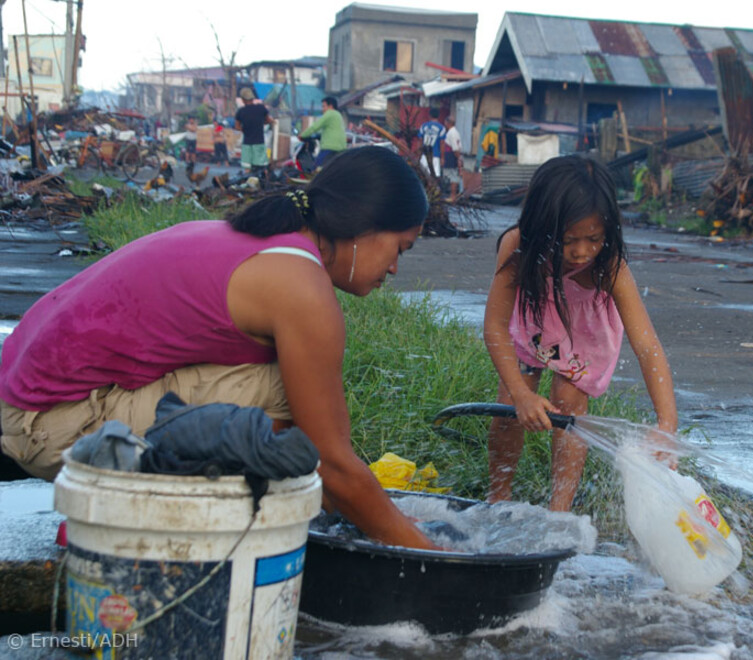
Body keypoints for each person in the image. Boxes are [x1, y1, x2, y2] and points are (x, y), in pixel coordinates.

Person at [0, 147, 437, 551]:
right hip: (50, 425)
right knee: (285, 399)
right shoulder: (300, 287)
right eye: (401, 247)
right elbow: (333, 462)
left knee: (291, 397)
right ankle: (126, 522)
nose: (396, 267)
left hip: (25, 395)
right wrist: (431, 551)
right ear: (363, 222)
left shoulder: (268, 243)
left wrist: (374, 509)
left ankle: (144, 506)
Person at [483, 155, 678, 512]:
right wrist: (520, 395)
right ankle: (498, 496)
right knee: (509, 408)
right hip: (537, 325)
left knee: (569, 401)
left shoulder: (609, 267)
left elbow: (647, 345)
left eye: (594, 238)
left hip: (585, 336)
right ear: (541, 225)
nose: (582, 252)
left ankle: (559, 512)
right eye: (569, 239)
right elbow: (495, 325)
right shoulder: (518, 246)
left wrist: (666, 422)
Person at [299, 96, 347, 168]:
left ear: (330, 106)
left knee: (316, 169)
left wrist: (302, 135)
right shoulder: (338, 115)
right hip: (341, 149)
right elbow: (331, 130)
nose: (322, 110)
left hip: (330, 148)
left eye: (324, 106)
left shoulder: (330, 113)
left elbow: (315, 127)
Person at [235, 87, 274, 173]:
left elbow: (237, 127)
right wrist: (261, 124)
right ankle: (262, 183)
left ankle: (249, 183)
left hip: (247, 144)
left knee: (247, 169)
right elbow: (269, 120)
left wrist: (245, 130)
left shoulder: (241, 111)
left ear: (243, 99)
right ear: (252, 98)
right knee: (262, 167)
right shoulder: (261, 108)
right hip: (259, 143)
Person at [418, 108, 446, 178]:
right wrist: (442, 157)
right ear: (438, 116)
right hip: (435, 156)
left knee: (422, 176)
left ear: (429, 115)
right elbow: (442, 143)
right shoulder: (441, 128)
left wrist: (419, 154)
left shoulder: (423, 126)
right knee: (435, 178)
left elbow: (420, 141)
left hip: (424, 155)